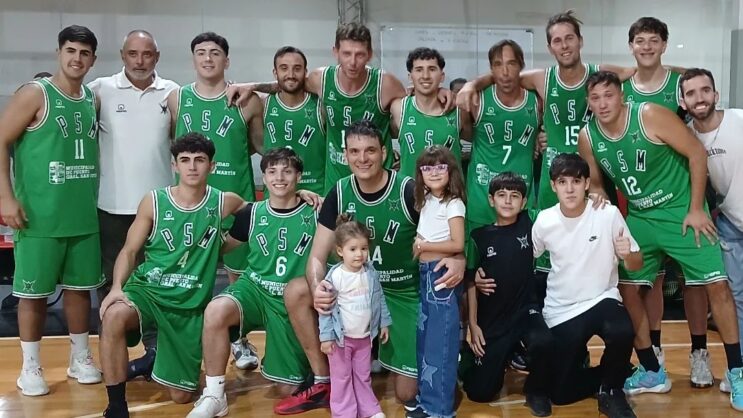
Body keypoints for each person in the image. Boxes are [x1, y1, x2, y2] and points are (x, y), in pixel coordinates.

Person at [578, 70, 743, 410]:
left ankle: (737, 371)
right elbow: (595, 181)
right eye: (595, 98)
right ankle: (652, 370)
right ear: (588, 103)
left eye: (609, 95)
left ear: (622, 96)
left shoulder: (649, 115)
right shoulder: (588, 136)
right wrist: (597, 195)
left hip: (681, 212)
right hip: (640, 218)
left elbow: (697, 153)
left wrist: (696, 208)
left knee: (717, 285)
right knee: (627, 289)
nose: (603, 103)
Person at [291, 120, 465, 413]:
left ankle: (388, 357)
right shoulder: (339, 192)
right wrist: (318, 287)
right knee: (297, 290)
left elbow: (447, 228)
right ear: (345, 155)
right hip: (351, 290)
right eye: (354, 151)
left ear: (384, 152)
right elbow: (317, 258)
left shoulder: (409, 190)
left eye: (370, 150)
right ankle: (325, 379)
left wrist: (459, 258)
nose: (362, 158)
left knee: (407, 393)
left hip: (401, 293)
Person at [456, 10, 633, 276]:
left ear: (580, 41)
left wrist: (688, 74)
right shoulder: (542, 79)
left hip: (594, 176)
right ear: (550, 47)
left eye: (569, 38)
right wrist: (471, 85)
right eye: (557, 40)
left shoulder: (600, 73)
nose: (564, 45)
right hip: (554, 179)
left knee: (601, 252)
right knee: (549, 258)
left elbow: (642, 71)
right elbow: (504, 77)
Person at [98, 133, 245, 418]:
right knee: (113, 316)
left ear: (212, 166)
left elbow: (262, 214)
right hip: (149, 291)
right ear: (174, 165)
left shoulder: (224, 202)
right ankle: (116, 405)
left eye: (199, 160)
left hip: (189, 305)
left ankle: (154, 359)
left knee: (181, 397)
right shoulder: (154, 201)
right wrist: (116, 287)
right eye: (185, 160)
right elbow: (129, 250)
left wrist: (223, 246)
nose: (192, 166)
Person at [0, 25, 103, 396]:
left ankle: (80, 357)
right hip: (39, 214)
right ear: (59, 52)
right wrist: (5, 198)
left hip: (82, 213)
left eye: (84, 53)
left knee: (79, 291)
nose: (77, 58)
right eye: (71, 50)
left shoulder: (91, 99)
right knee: (33, 294)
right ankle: (30, 366)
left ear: (93, 60)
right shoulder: (35, 93)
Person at [188, 147, 327, 417]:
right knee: (216, 310)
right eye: (272, 171)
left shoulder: (316, 211)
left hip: (290, 300)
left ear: (299, 176)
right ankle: (214, 395)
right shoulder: (251, 213)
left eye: (287, 171)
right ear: (263, 177)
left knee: (287, 388)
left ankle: (299, 362)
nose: (279, 178)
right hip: (254, 289)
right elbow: (221, 248)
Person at [168, 31, 264, 369]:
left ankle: (240, 341)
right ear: (193, 59)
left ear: (227, 60)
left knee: (239, 277)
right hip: (191, 206)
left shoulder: (248, 101)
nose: (208, 58)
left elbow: (260, 146)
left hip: (236, 200)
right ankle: (187, 343)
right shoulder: (176, 98)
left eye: (215, 53)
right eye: (201, 52)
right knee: (190, 276)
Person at [88, 29, 179, 381]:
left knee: (159, 283)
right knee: (113, 286)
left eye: (147, 54)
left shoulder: (172, 92)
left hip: (160, 210)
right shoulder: (100, 90)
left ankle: (156, 353)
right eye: (133, 54)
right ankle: (114, 358)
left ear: (157, 56)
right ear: (122, 55)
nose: (140, 61)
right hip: (112, 208)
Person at [622, 18, 709, 384]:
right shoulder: (622, 88)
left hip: (684, 193)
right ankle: (654, 353)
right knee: (652, 281)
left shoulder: (678, 84)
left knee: (695, 280)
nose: (646, 47)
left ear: (664, 44)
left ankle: (699, 353)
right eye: (640, 41)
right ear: (631, 46)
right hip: (642, 199)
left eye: (653, 41)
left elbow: (702, 115)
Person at [533, 153, 639, 418]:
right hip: (562, 309)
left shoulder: (607, 213)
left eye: (576, 181)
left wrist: (627, 254)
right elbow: (524, 257)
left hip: (602, 298)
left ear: (587, 184)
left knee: (622, 330)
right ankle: (612, 371)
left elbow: (636, 263)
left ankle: (611, 391)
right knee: (561, 394)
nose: (570, 189)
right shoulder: (544, 220)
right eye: (563, 182)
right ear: (553, 186)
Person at [462, 172, 552, 416]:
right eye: (502, 195)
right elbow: (470, 281)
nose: (508, 201)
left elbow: (559, 211)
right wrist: (473, 325)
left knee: (543, 340)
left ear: (524, 202)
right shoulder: (479, 237)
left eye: (515, 196)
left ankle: (536, 391)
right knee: (480, 393)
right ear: (491, 200)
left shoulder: (530, 221)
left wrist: (593, 198)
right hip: (493, 319)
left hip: (525, 311)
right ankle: (469, 356)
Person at [680, 67, 743, 394]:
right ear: (683, 101)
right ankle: (740, 370)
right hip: (730, 224)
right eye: (691, 93)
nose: (699, 98)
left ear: (716, 95)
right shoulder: (684, 136)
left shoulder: (739, 119)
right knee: (737, 299)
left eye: (705, 90)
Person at [408, 146, 466, 418]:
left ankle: (439, 409)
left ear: (450, 171)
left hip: (440, 275)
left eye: (440, 167)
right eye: (427, 168)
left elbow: (457, 243)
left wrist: (425, 246)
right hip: (426, 273)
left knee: (440, 342)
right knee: (426, 338)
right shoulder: (427, 200)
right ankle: (426, 400)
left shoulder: (453, 203)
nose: (433, 172)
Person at [319, 215, 390, 418]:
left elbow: (379, 298)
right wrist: (326, 337)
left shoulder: (370, 273)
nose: (359, 254)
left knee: (363, 375)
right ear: (340, 251)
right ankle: (344, 413)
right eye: (353, 249)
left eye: (364, 248)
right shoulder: (335, 277)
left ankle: (370, 409)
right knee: (341, 378)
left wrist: (384, 322)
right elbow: (325, 309)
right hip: (340, 340)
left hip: (364, 338)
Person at [391, 48, 471, 178]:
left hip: (450, 190)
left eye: (432, 69)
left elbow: (481, 142)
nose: (425, 76)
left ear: (442, 76)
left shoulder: (458, 110)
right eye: (419, 70)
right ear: (410, 77)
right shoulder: (399, 107)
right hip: (410, 188)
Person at [263, 46, 326, 195]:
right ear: (275, 72)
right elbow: (259, 144)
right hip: (275, 196)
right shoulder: (263, 104)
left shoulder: (321, 105)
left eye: (297, 69)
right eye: (284, 68)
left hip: (316, 196)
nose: (290, 75)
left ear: (305, 72)